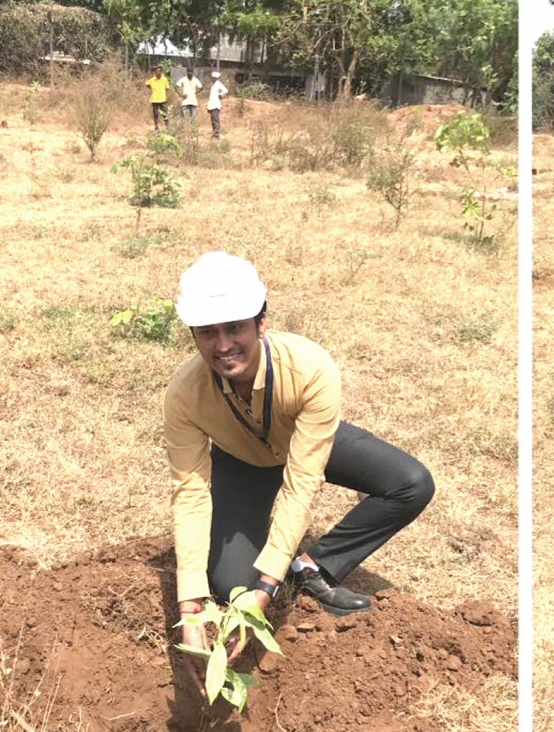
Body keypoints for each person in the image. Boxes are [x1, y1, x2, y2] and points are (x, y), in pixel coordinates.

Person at [164, 252, 435, 685]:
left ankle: (312, 565)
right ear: (193, 334)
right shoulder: (183, 395)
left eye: (234, 327)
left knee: (410, 484)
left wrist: (268, 584)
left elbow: (301, 483)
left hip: (307, 440)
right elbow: (191, 493)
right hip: (242, 460)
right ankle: (265, 569)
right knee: (233, 583)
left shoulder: (310, 370)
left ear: (261, 322)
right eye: (207, 332)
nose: (222, 345)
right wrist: (190, 601)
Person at [145, 65, 169, 132]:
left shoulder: (164, 79)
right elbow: (147, 84)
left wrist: (164, 94)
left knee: (165, 113)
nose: (158, 73)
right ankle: (156, 127)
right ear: (155, 72)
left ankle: (167, 126)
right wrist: (152, 89)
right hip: (155, 99)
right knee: (155, 114)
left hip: (162, 99)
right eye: (156, 71)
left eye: (159, 71)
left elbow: (167, 88)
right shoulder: (152, 80)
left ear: (161, 72)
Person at [206, 71, 229, 140]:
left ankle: (216, 135)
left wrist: (221, 95)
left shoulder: (218, 84)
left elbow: (225, 90)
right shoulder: (213, 84)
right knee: (213, 120)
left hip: (215, 105)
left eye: (214, 78)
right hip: (212, 105)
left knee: (215, 120)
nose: (212, 79)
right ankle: (214, 134)